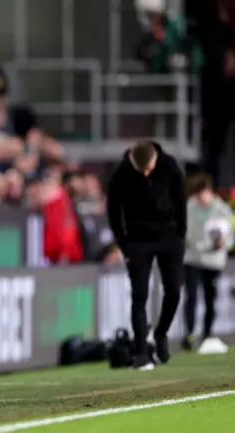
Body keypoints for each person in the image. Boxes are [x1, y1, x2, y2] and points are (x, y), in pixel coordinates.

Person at [107, 139, 186, 371]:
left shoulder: (170, 166)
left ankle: (160, 333)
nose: (145, 173)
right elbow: (114, 209)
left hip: (169, 237)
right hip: (137, 241)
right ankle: (142, 352)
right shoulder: (121, 173)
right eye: (140, 170)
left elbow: (180, 201)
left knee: (173, 290)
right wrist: (123, 243)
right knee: (139, 294)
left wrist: (180, 235)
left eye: (148, 169)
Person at [182, 173, 233, 350]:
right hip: (192, 259)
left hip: (213, 261)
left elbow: (230, 234)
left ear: (210, 191)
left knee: (211, 299)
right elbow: (184, 232)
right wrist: (199, 245)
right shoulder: (189, 208)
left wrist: (223, 243)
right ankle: (189, 335)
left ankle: (207, 334)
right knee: (192, 297)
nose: (201, 198)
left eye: (203, 193)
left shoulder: (222, 209)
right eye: (198, 194)